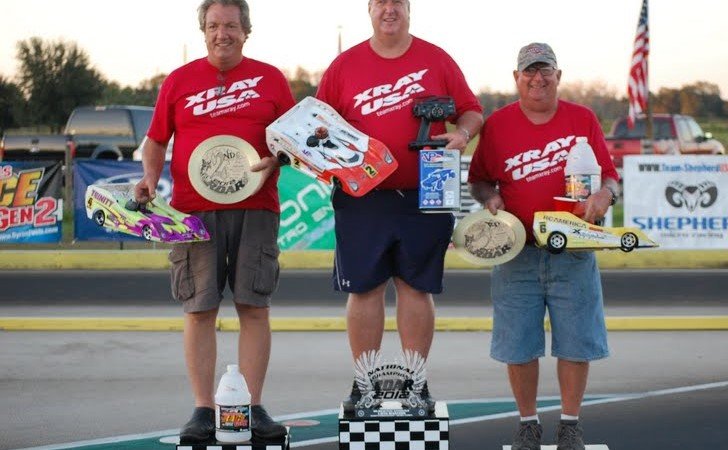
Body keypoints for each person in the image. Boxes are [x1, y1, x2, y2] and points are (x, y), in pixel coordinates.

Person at [133, 0, 295, 444]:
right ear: (203, 31)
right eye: (214, 25)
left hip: (257, 206)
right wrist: (150, 177)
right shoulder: (179, 80)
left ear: (246, 31)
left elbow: (293, 139)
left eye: (231, 25)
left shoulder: (271, 79)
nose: (222, 33)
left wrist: (278, 157)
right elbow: (155, 140)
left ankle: (252, 408)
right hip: (192, 211)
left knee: (254, 306)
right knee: (199, 308)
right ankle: (204, 410)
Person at [315, 0, 484, 411]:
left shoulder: (436, 58)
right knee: (364, 289)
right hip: (361, 193)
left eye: (397, 2)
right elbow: (319, 124)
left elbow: (472, 112)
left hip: (426, 189)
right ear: (369, 10)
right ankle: (364, 383)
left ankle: (415, 383)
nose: (389, 9)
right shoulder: (344, 65)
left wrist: (462, 134)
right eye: (381, 2)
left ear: (409, 9)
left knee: (416, 287)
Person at [468, 43, 620, 450]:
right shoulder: (498, 124)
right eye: (529, 71)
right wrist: (490, 198)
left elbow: (609, 175)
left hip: (573, 247)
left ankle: (570, 425)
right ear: (516, 78)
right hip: (517, 249)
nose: (538, 78)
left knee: (577, 341)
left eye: (545, 70)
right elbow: (479, 179)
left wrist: (605, 195)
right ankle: (528, 424)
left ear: (558, 75)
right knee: (518, 344)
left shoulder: (582, 118)